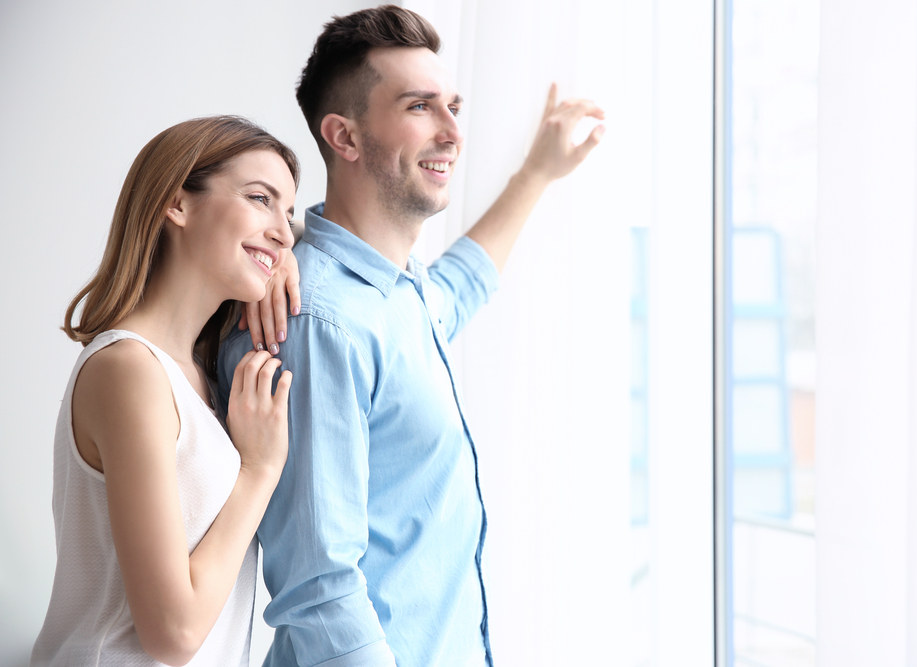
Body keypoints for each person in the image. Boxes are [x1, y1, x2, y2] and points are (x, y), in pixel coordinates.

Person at [217, 5, 604, 666]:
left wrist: (536, 173)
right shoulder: (317, 320)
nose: (454, 130)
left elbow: (461, 285)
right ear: (345, 136)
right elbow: (320, 587)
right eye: (421, 106)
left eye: (454, 104)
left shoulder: (401, 294)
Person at [32, 116, 298, 666]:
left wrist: (283, 249)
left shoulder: (200, 379)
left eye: (289, 213)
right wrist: (259, 471)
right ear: (177, 204)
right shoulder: (128, 370)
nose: (284, 231)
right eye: (259, 198)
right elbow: (172, 634)